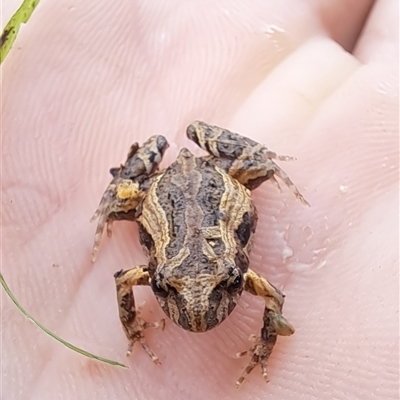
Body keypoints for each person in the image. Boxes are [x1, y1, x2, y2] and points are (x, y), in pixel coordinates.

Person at [2, 0, 398, 399]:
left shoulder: (239, 276)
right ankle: (120, 196)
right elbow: (125, 281)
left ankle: (258, 160)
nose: (197, 311)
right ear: (157, 275)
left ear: (236, 273)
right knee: (123, 199)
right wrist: (132, 323)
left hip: (216, 176)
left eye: (226, 286)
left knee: (255, 168)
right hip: (167, 187)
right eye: (167, 289)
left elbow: (273, 298)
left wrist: (266, 344)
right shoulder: (208, 278)